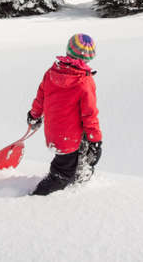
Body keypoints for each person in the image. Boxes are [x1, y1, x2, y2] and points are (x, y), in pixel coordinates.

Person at [27, 33, 102, 196]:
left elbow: (41, 97)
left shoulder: (52, 72)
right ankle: (38, 195)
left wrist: (34, 115)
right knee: (62, 172)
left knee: (73, 158)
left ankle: (79, 173)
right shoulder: (84, 82)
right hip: (70, 136)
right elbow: (89, 115)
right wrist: (95, 141)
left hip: (54, 132)